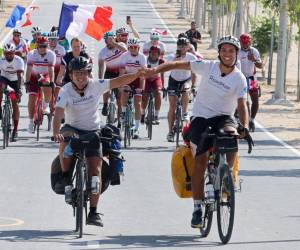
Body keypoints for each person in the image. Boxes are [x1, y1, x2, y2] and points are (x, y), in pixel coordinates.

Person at [147, 35, 249, 228]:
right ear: (219, 53)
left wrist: (243, 126)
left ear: (236, 54)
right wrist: (155, 70)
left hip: (223, 117)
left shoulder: (239, 78)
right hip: (201, 117)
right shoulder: (208, 66)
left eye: (231, 51)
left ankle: (227, 175)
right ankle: (197, 207)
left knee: (233, 135)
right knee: (200, 161)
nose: (227, 54)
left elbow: (242, 106)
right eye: (224, 50)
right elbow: (177, 64)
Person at [52, 56, 145, 227]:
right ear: (71, 75)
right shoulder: (65, 90)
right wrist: (56, 131)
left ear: (89, 73)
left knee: (95, 172)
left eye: (83, 73)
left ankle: (93, 212)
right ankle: (66, 178)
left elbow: (119, 81)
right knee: (64, 140)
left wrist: (138, 74)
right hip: (72, 128)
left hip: (93, 131)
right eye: (76, 74)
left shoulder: (96, 85)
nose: (80, 77)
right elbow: (58, 113)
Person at [165, 37, 197, 142]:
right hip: (173, 80)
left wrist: (194, 86)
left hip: (186, 80)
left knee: (186, 88)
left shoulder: (191, 57)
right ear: (177, 46)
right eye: (180, 46)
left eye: (184, 46)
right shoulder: (171, 56)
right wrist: (177, 58)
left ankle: (185, 112)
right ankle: (170, 131)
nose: (182, 48)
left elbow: (194, 73)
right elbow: (169, 66)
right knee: (172, 106)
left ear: (188, 47)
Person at [25, 36, 56, 133]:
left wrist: (52, 82)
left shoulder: (51, 54)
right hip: (35, 75)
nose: (43, 48)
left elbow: (51, 70)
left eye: (45, 46)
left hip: (46, 74)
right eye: (41, 46)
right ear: (37, 46)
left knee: (48, 83)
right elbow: (29, 69)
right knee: (32, 99)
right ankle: (30, 122)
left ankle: (45, 105)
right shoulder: (31, 54)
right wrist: (26, 81)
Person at [119, 38, 147, 139]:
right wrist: (121, 85)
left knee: (138, 103)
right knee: (125, 91)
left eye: (135, 47)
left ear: (138, 48)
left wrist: (142, 89)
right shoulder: (124, 56)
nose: (133, 49)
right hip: (127, 77)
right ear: (128, 48)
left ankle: (136, 128)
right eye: (130, 47)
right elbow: (121, 72)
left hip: (138, 78)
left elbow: (143, 74)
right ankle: (123, 112)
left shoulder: (142, 57)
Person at [98, 31, 127, 126]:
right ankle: (105, 105)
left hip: (120, 72)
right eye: (107, 41)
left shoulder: (121, 45)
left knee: (119, 98)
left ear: (115, 39)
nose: (108, 43)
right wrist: (100, 80)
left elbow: (126, 51)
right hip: (109, 72)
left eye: (110, 41)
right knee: (105, 85)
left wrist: (114, 43)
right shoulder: (103, 52)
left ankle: (119, 120)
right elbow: (101, 67)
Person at [238, 33, 263, 132]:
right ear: (240, 42)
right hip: (241, 78)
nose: (245, 45)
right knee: (244, 100)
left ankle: (252, 119)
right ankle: (244, 119)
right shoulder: (237, 51)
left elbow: (260, 66)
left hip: (252, 78)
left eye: (247, 43)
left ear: (250, 42)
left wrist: (254, 60)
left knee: (255, 99)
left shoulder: (254, 51)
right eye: (243, 43)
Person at [0, 43, 24, 141]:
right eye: (6, 53)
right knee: (0, 86)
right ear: (4, 53)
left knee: (15, 104)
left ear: (14, 53)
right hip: (4, 79)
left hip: (15, 82)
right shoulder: (1, 61)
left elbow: (20, 77)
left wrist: (18, 91)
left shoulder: (19, 61)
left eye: (10, 53)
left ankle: (15, 129)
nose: (8, 55)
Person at [141, 46, 164, 125]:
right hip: (146, 79)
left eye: (156, 53)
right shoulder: (145, 60)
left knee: (158, 93)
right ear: (149, 53)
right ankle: (143, 114)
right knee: (145, 95)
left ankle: (156, 115)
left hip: (156, 79)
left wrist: (163, 86)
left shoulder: (161, 61)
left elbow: (162, 74)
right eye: (152, 52)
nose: (154, 54)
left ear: (158, 54)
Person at [48, 30, 66, 99]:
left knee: (58, 88)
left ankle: (56, 100)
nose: (52, 41)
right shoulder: (45, 48)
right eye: (50, 39)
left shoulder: (61, 49)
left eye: (54, 39)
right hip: (48, 71)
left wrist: (62, 75)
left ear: (57, 40)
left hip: (59, 71)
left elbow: (64, 63)